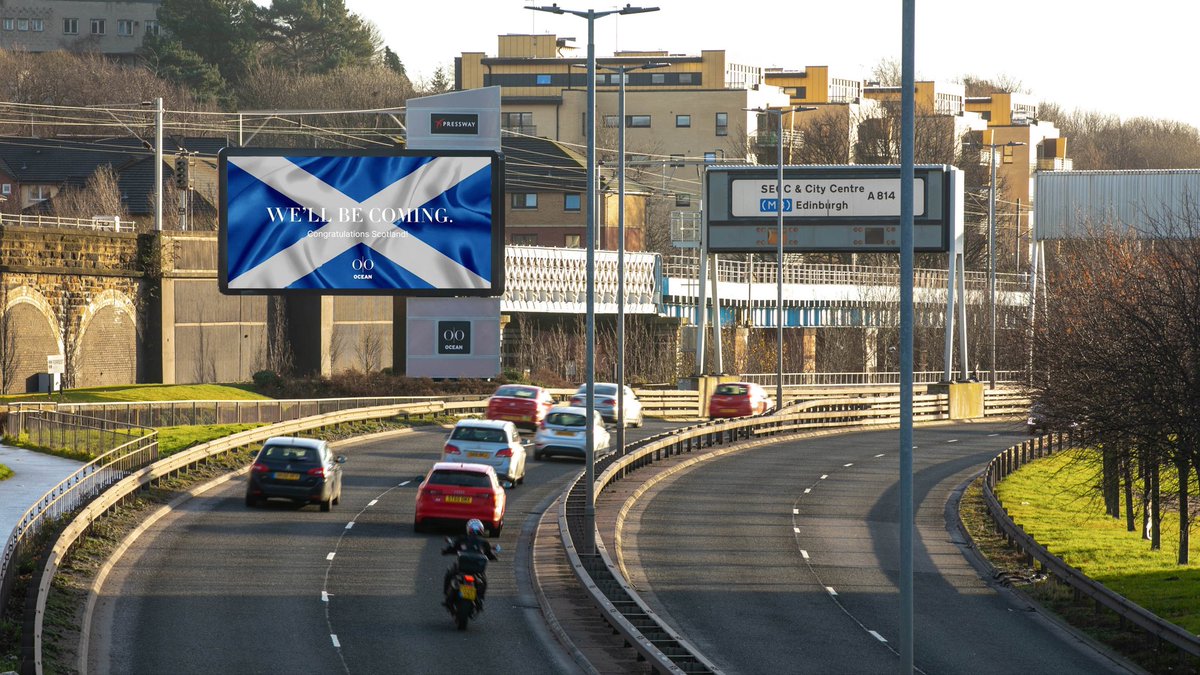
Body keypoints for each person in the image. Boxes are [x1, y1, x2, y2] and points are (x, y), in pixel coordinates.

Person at [442, 519, 498, 608]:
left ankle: (447, 597)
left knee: (449, 573)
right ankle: (480, 600)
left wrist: (445, 551)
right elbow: (490, 555)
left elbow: (452, 548)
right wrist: (494, 557)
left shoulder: (462, 538)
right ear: (481, 530)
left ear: (469, 529)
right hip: (477, 570)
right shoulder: (484, 542)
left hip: (462, 567)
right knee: (484, 582)